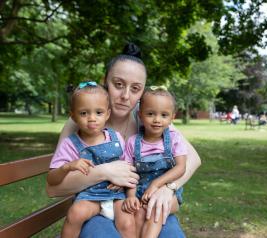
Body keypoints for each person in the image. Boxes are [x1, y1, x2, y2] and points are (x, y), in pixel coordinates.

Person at [46, 43, 201, 238]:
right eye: (118, 84)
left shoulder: (147, 116)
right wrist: (103, 172)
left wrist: (168, 188)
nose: (125, 96)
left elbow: (193, 159)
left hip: (142, 206)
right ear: (105, 81)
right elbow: (54, 187)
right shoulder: (81, 121)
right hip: (96, 208)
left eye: (135, 89)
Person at [47, 82, 136, 238]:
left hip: (116, 195)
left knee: (127, 222)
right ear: (73, 116)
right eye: (83, 113)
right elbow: (52, 179)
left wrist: (124, 183)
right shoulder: (71, 144)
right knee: (75, 213)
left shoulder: (117, 139)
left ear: (107, 114)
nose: (92, 119)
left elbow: (129, 166)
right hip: (89, 196)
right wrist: (67, 167)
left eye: (99, 112)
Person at [123, 87, 187, 238]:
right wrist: (131, 196)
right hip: (141, 193)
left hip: (168, 194)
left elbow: (181, 167)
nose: (157, 120)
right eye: (150, 114)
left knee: (154, 209)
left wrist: (156, 184)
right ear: (140, 115)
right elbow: (129, 173)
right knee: (138, 214)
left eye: (164, 115)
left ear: (172, 117)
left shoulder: (174, 139)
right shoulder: (133, 142)